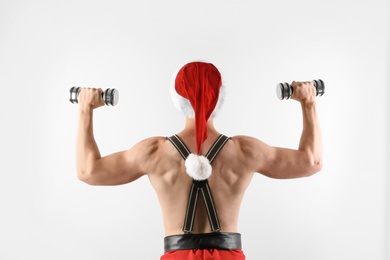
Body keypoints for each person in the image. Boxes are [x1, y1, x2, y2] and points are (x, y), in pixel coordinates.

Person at [75, 61, 323, 260]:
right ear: (219, 98)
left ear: (177, 98)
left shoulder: (154, 152)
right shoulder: (244, 151)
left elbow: (88, 171)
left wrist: (86, 109)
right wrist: (308, 103)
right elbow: (311, 162)